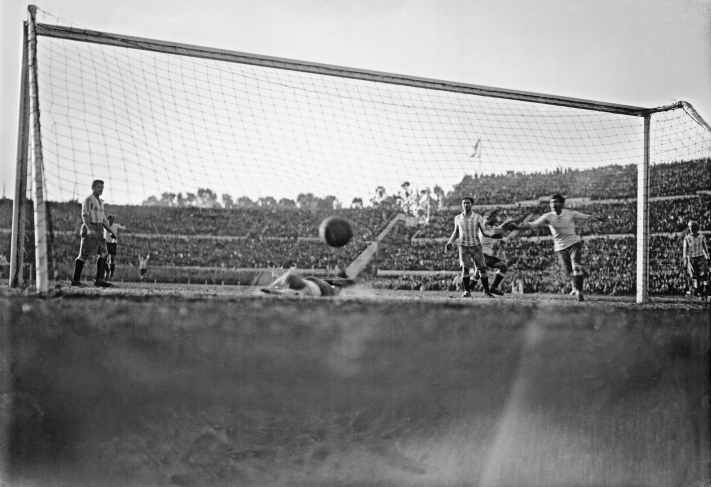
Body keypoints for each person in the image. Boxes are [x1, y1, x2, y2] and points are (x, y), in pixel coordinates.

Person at [503, 194, 604, 302]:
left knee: (576, 267)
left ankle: (580, 293)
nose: (553, 204)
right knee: (569, 271)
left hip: (573, 244)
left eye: (556, 202)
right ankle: (575, 286)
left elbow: (586, 217)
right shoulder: (548, 216)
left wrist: (600, 219)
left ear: (562, 203)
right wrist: (516, 226)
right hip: (560, 247)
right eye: (551, 202)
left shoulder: (570, 214)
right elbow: (533, 224)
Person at [444, 197, 502, 298]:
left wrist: (492, 235)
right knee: (465, 269)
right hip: (463, 247)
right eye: (464, 203)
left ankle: (487, 291)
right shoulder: (457, 218)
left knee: (482, 269)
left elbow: (484, 232)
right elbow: (456, 232)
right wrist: (450, 242)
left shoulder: (478, 217)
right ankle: (467, 291)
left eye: (468, 203)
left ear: (472, 205)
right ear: (462, 205)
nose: (466, 205)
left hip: (476, 246)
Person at [70, 180, 115, 287]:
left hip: (100, 230)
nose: (101, 189)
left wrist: (111, 231)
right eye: (99, 187)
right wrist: (89, 229)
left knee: (104, 253)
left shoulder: (101, 202)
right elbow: (84, 215)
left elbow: (104, 220)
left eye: (102, 187)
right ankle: (75, 280)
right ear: (93, 188)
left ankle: (99, 280)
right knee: (83, 255)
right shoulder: (88, 200)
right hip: (91, 227)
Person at [471, 209, 508, 296]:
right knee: (478, 273)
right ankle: (469, 290)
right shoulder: (484, 224)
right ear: (490, 218)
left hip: (488, 256)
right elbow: (488, 224)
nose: (497, 220)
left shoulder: (492, 228)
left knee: (503, 267)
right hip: (481, 254)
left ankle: (493, 287)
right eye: (495, 218)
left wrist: (506, 223)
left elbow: (501, 230)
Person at [259, 266, 354, 297]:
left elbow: (284, 291)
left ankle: (340, 280)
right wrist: (271, 289)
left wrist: (271, 290)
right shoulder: (300, 288)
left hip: (320, 286)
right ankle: (341, 280)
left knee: (335, 290)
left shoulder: (300, 289)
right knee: (336, 289)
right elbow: (284, 289)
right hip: (319, 285)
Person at [683, 220, 709, 301]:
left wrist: (707, 257)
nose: (691, 228)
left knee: (705, 276)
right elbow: (685, 250)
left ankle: (708, 295)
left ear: (696, 227)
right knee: (695, 279)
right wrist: (685, 260)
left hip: (701, 258)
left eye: (693, 226)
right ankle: (700, 295)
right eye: (690, 227)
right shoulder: (687, 238)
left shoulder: (702, 237)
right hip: (692, 259)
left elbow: (705, 248)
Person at [103, 215, 126, 279]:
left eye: (113, 219)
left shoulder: (116, 225)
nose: (112, 221)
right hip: (106, 243)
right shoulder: (105, 225)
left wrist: (124, 225)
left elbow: (123, 228)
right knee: (104, 258)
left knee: (112, 258)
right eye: (111, 219)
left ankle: (112, 271)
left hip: (113, 243)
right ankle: (106, 270)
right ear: (108, 219)